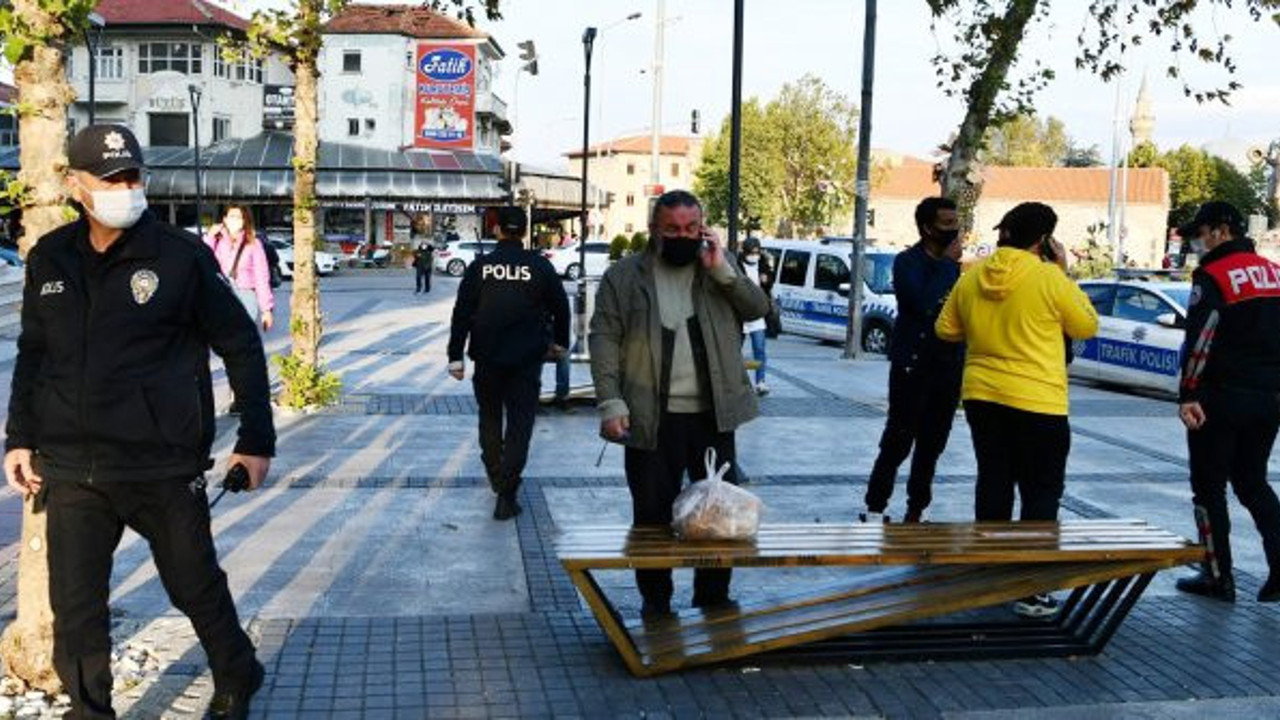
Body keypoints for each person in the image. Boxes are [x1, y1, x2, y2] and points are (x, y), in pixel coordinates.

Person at [3, 124, 274, 719]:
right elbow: (34, 354)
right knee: (76, 609)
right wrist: (18, 438)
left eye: (132, 176)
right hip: (72, 468)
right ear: (75, 185)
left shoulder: (180, 257)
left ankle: (238, 669)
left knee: (193, 585)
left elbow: (240, 344)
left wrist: (256, 438)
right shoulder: (49, 258)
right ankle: (90, 710)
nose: (124, 189)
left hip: (161, 462)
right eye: (109, 179)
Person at [590, 190, 770, 619]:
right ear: (653, 229)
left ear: (703, 228)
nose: (683, 236)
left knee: (718, 515)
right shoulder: (624, 276)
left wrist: (722, 269)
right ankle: (656, 601)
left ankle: (712, 598)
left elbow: (758, 309)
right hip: (649, 416)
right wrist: (610, 401)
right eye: (672, 229)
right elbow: (604, 338)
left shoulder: (718, 267)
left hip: (713, 415)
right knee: (651, 516)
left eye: (691, 228)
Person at [935, 201, 1098, 619]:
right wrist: (1062, 271)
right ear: (1044, 240)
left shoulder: (972, 277)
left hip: (982, 397)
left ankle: (991, 575)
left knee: (994, 481)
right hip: (1038, 400)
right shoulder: (1049, 278)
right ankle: (1032, 590)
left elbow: (945, 329)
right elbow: (1086, 325)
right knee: (1040, 491)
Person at [1174, 201, 1280, 603]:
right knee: (1253, 483)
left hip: (1219, 399)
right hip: (1268, 399)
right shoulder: (1274, 273)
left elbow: (1201, 339)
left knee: (1208, 489)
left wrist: (1189, 393)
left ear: (1220, 231)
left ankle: (1217, 576)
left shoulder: (1214, 275)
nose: (1198, 243)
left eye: (1201, 234)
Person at [448, 207, 569, 520]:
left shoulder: (481, 266)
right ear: (525, 232)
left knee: (489, 418)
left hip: (487, 358)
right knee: (520, 425)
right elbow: (561, 307)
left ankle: (496, 476)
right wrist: (560, 342)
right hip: (527, 360)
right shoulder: (540, 266)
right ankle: (507, 492)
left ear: (497, 230)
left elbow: (462, 312)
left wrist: (455, 357)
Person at [862, 197, 964, 524]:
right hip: (912, 366)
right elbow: (921, 302)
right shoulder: (907, 262)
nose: (954, 230)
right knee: (898, 439)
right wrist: (947, 265)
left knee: (932, 444)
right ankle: (876, 507)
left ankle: (917, 508)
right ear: (927, 228)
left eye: (956, 222)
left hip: (947, 368)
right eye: (946, 224)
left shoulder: (956, 268)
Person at [203, 205, 274, 332]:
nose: (235, 220)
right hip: (221, 295)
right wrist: (210, 236)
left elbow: (261, 277)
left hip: (246, 296)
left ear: (244, 220)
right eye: (232, 216)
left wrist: (266, 309)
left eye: (239, 217)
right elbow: (203, 260)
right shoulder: (216, 240)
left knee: (242, 335)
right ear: (225, 219)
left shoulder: (253, 243)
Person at [738, 236, 771, 395]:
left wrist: (766, 281)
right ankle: (737, 378)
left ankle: (760, 381)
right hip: (740, 315)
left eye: (757, 253)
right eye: (751, 253)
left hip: (757, 315)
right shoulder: (737, 265)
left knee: (759, 350)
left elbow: (768, 287)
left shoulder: (763, 266)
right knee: (735, 351)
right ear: (745, 252)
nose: (754, 256)